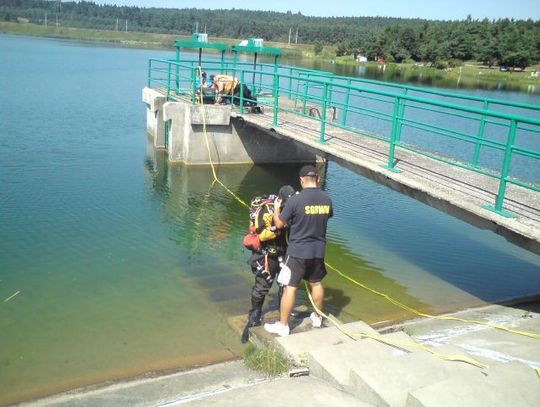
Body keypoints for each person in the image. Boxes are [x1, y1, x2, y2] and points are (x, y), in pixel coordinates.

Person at [264, 165, 333, 337]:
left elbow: (279, 224)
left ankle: (283, 325)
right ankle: (317, 318)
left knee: (290, 288)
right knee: (316, 283)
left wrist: (277, 209)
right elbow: (328, 216)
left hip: (297, 252)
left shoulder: (296, 200)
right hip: (318, 250)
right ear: (317, 179)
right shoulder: (327, 199)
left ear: (302, 180)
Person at [241, 185, 296, 343]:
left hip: (285, 253)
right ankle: (254, 315)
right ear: (281, 200)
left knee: (285, 285)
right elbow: (264, 233)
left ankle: (283, 311)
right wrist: (277, 223)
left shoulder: (291, 209)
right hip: (268, 254)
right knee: (262, 286)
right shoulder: (268, 210)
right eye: (287, 203)